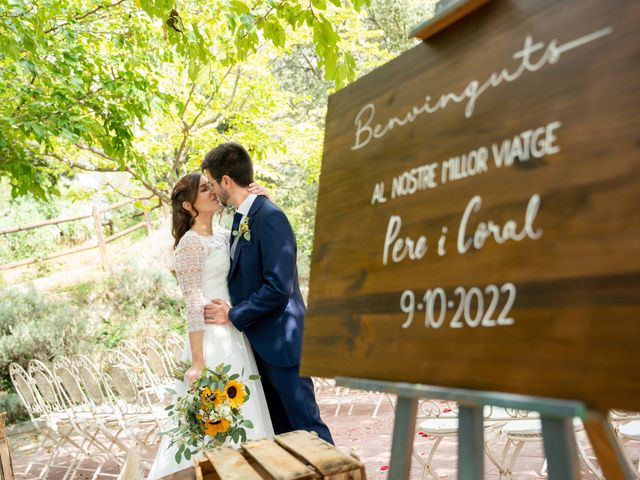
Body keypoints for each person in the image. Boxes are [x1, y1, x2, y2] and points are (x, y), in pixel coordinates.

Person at [200, 142, 333, 444]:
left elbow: (278, 288)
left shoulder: (270, 216)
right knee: (284, 436)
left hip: (282, 346)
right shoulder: (243, 218)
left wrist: (233, 314)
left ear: (226, 182)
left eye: (211, 184)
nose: (212, 190)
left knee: (309, 428)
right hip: (258, 347)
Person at [147, 173, 274, 479]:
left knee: (247, 422)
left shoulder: (224, 235)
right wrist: (198, 362)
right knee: (214, 433)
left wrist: (265, 201)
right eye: (204, 188)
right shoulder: (189, 245)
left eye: (211, 185)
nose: (213, 191)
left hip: (236, 335)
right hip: (212, 343)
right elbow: (193, 303)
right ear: (189, 206)